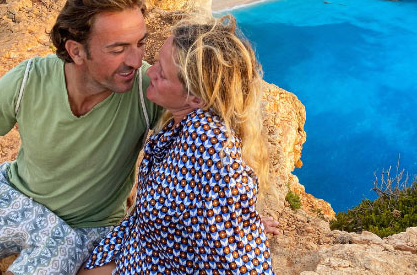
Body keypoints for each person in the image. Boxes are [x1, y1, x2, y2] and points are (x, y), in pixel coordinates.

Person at [0, 0, 163, 275]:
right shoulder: (29, 79)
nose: (135, 60)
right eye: (118, 49)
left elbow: (203, 147)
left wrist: (235, 215)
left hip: (86, 229)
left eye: (140, 43)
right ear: (77, 51)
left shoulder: (147, 90)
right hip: (15, 194)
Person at [79, 15, 276, 274]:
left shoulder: (209, 147)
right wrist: (244, 222)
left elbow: (238, 261)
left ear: (195, 97)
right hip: (141, 245)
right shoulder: (186, 122)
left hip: (159, 263)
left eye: (161, 73)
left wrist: (240, 229)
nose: (149, 72)